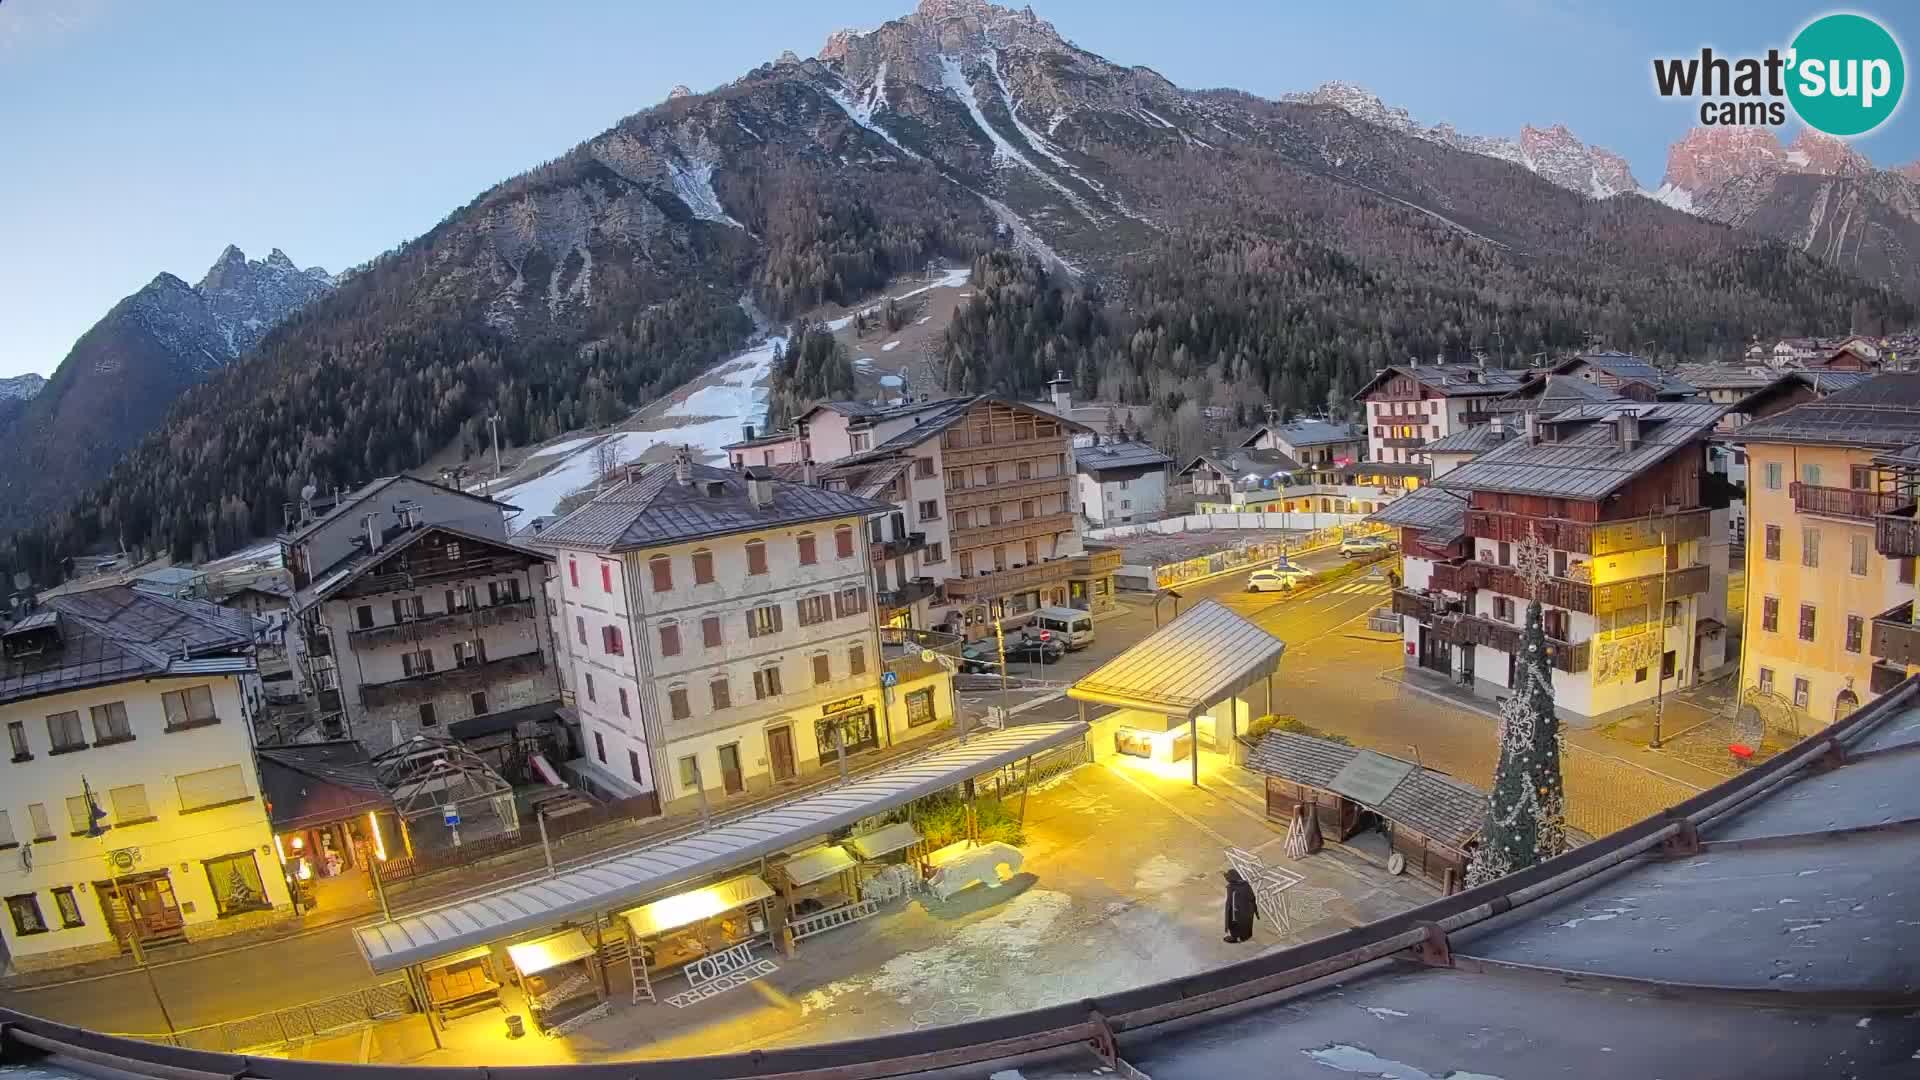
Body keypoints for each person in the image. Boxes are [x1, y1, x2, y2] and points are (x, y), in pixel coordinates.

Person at [1222, 868, 1258, 943]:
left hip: (1236, 912)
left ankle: (1235, 938)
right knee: (1247, 923)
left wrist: (1227, 920)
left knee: (1234, 924)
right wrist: (1255, 911)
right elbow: (1252, 897)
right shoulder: (1245, 884)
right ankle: (1247, 936)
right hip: (1248, 910)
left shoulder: (1231, 887)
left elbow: (1229, 903)